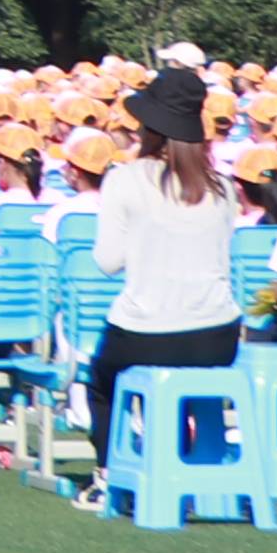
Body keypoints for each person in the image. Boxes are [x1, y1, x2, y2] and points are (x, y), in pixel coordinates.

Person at [86, 69, 246, 455]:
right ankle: (188, 461)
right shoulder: (222, 187)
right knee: (184, 385)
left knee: (99, 385)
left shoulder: (125, 180)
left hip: (146, 333)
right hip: (217, 335)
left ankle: (108, 473)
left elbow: (108, 262)